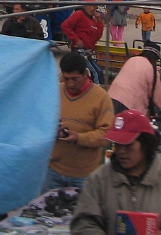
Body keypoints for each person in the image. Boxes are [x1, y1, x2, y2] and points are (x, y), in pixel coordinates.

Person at [71, 110, 161, 235]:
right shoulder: (98, 180)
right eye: (118, 144)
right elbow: (83, 223)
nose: (121, 151)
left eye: (128, 145)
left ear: (145, 144)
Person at [43, 52, 114, 193]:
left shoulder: (101, 98)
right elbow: (40, 121)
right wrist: (51, 129)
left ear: (85, 74)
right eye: (66, 78)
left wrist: (79, 138)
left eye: (75, 79)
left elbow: (106, 134)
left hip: (84, 175)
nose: (70, 84)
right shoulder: (54, 91)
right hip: (53, 171)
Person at [107, 42, 161, 117]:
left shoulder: (132, 60)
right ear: (155, 59)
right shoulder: (152, 70)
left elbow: (134, 80)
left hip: (109, 99)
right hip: (127, 106)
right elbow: (158, 101)